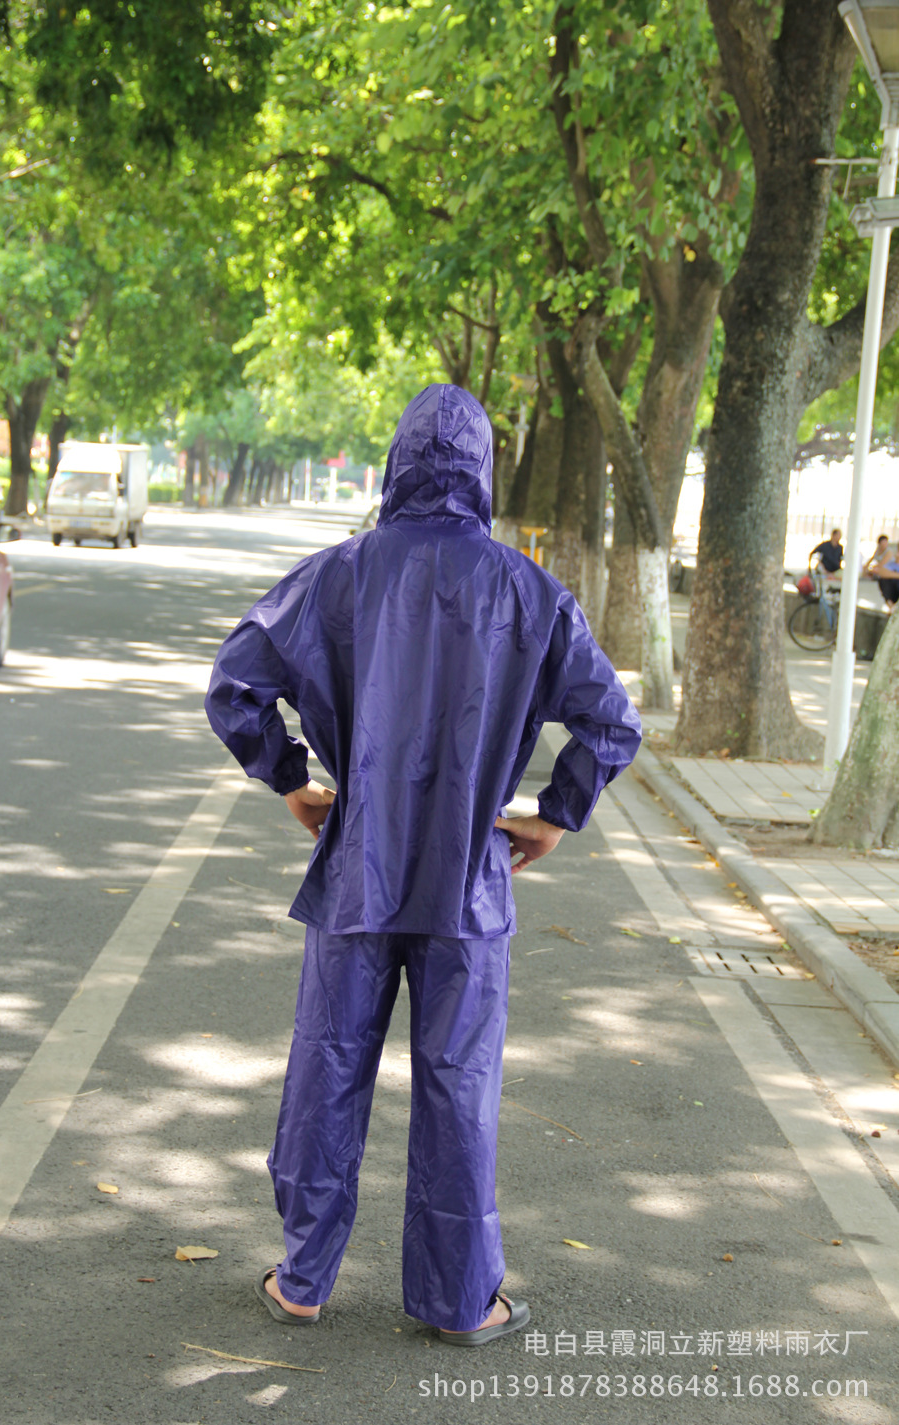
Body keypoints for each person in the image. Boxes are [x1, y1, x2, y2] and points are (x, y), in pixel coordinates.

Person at [205, 384, 641, 1346]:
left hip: (357, 859)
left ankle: (304, 1277)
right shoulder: (527, 589)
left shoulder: (338, 576)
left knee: (328, 1065)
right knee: (457, 1081)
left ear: (399, 459)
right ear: (482, 468)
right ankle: (457, 1297)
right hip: (468, 878)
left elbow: (235, 680)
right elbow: (613, 720)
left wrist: (291, 780)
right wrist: (554, 816)